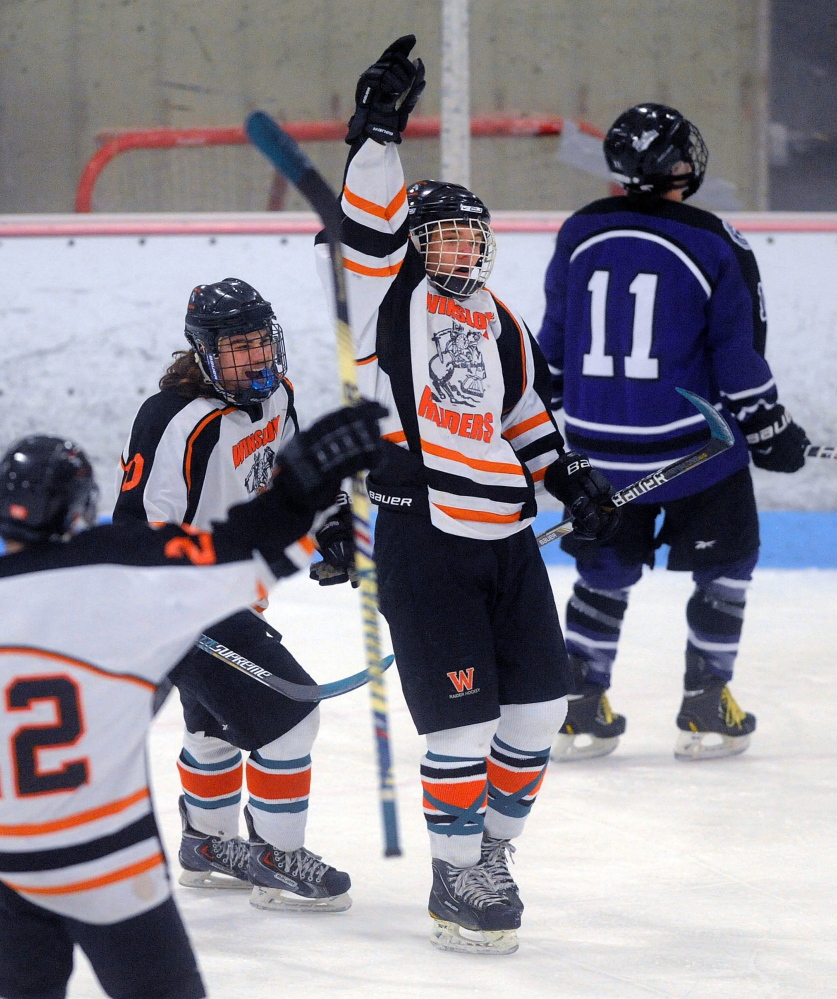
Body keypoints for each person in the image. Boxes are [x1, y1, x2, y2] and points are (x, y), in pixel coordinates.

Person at [321, 35, 619, 955]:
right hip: (425, 536)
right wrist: (376, 137)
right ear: (415, 244)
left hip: (506, 538)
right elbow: (368, 231)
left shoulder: (497, 318)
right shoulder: (386, 303)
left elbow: (524, 412)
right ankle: (455, 878)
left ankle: (490, 854)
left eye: (469, 235)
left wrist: (568, 476)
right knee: (463, 723)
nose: (459, 248)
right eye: (441, 235)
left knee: (534, 711)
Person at [0, 411, 384, 998]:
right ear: (82, 508)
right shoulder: (124, 579)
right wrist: (297, 488)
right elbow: (244, 549)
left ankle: (210, 839)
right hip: (111, 865)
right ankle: (235, 843)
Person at [537, 102, 810, 763]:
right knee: (725, 565)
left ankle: (579, 706)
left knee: (602, 571)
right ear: (679, 164)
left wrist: (538, 422)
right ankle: (705, 701)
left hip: (597, 449)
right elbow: (737, 355)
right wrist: (769, 426)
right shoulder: (715, 240)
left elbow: (552, 348)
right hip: (694, 451)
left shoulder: (578, 231)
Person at [113, 278, 361, 913]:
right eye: (236, 347)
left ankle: (206, 843)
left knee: (219, 727)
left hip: (234, 592)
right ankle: (276, 857)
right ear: (203, 353)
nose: (254, 358)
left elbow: (303, 473)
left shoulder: (277, 393)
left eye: (260, 343)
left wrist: (332, 528)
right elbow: (139, 530)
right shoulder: (174, 421)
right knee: (293, 717)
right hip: (185, 601)